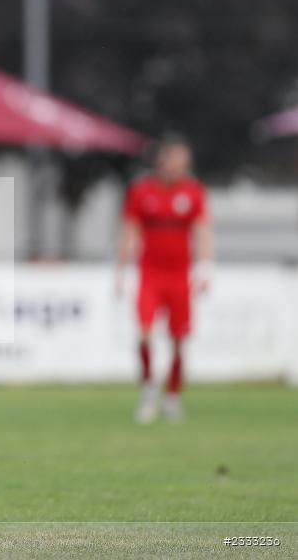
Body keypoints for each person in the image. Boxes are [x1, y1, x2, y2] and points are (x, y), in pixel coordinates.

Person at [116, 134, 213, 424]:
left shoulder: (193, 192)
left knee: (179, 339)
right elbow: (130, 231)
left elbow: (202, 231)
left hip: (180, 276)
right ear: (163, 159)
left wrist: (205, 268)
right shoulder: (142, 191)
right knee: (144, 333)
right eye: (175, 159)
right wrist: (121, 270)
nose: (179, 165)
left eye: (184, 160)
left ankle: (172, 396)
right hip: (150, 274)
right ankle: (148, 390)